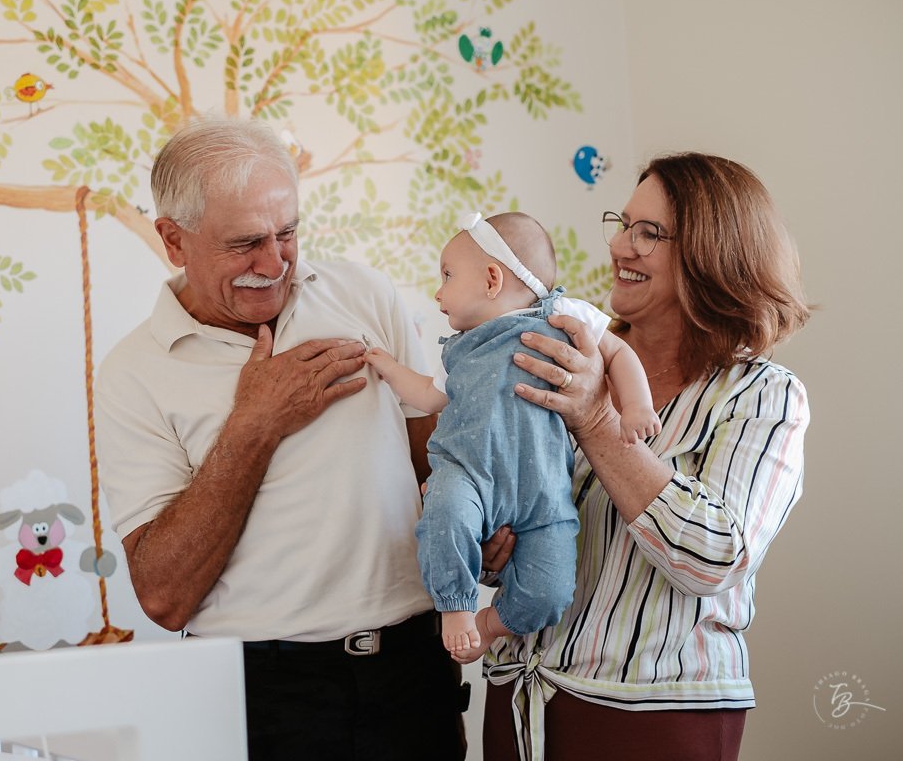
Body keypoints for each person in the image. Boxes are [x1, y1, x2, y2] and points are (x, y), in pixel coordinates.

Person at [95, 114, 509, 761]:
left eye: (286, 232)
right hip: (262, 696)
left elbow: (438, 466)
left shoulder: (365, 296)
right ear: (174, 241)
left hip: (411, 674)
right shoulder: (133, 372)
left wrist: (486, 528)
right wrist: (254, 424)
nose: (274, 262)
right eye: (243, 244)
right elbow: (164, 596)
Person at [480, 153, 811, 761]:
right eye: (622, 223)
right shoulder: (567, 354)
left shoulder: (763, 394)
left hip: (655, 721)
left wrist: (595, 421)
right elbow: (529, 513)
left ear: (715, 252)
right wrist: (491, 543)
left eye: (648, 233)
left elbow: (716, 558)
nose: (619, 246)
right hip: (520, 704)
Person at [365, 211, 660, 661]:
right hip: (467, 474)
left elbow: (618, 351)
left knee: (552, 588)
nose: (438, 291)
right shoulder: (461, 347)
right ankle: (456, 606)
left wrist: (636, 405)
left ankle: (493, 622)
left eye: (447, 275)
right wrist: (387, 367)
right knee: (443, 514)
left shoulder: (561, 313)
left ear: (491, 279)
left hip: (543, 490)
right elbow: (428, 396)